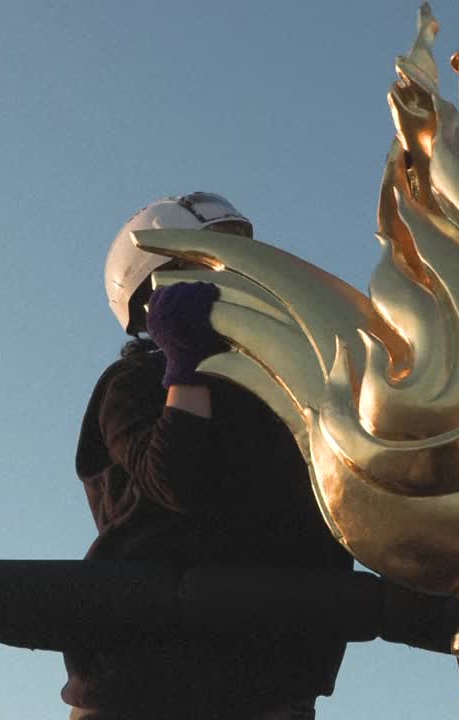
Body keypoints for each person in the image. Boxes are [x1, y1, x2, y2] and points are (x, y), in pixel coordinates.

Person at [62, 192, 354, 720]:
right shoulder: (131, 385)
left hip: (268, 684)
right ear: (155, 290)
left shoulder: (288, 385)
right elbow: (176, 481)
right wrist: (185, 365)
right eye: (207, 265)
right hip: (138, 684)